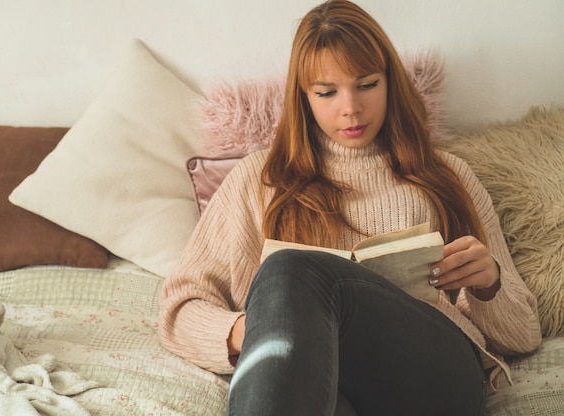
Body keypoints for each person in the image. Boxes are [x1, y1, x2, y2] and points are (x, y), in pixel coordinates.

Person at [158, 1, 542, 414]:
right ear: (304, 98)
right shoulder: (260, 179)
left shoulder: (447, 176)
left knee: (291, 266)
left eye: (366, 84)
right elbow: (179, 308)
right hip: (320, 379)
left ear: (390, 82)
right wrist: (257, 328)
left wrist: (489, 286)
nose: (350, 108)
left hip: (434, 376)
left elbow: (525, 335)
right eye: (327, 92)